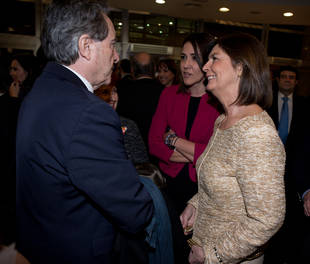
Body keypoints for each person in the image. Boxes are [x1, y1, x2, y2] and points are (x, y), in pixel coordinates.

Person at [15, 1, 154, 264]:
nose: (116, 56)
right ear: (86, 46)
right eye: (112, 44)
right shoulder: (89, 113)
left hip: (42, 244)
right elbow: (135, 210)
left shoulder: (41, 90)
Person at [180, 32, 286, 264]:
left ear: (240, 68)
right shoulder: (223, 120)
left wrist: (214, 254)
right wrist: (196, 203)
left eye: (214, 58)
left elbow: (268, 219)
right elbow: (226, 181)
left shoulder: (256, 133)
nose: (205, 66)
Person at [148, 33, 220, 264]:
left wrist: (174, 140)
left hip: (203, 190)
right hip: (168, 187)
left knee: (195, 252)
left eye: (194, 58)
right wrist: (195, 153)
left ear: (209, 62)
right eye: (183, 57)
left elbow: (216, 153)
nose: (186, 65)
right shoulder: (169, 94)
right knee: (169, 248)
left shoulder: (219, 101)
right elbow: (154, 143)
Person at [265, 65, 308, 264]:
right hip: (267, 169)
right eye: (284, 77)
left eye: (292, 77)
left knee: (291, 219)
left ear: (297, 82)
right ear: (277, 80)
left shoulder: (306, 105)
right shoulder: (265, 102)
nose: (288, 80)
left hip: (294, 174)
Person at [117, 52, 164, 149]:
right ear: (154, 69)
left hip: (128, 148)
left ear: (132, 70)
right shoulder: (165, 92)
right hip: (156, 150)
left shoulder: (122, 90)